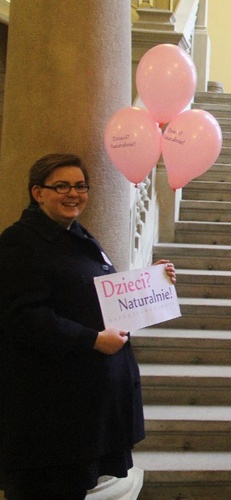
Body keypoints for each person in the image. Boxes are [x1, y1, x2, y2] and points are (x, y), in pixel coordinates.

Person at [0, 153, 177, 499]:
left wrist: (151, 280)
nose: (74, 194)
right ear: (38, 193)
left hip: (80, 410)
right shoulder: (19, 242)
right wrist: (91, 340)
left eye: (81, 186)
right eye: (61, 186)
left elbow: (95, 293)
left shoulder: (77, 235)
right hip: (48, 411)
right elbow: (22, 316)